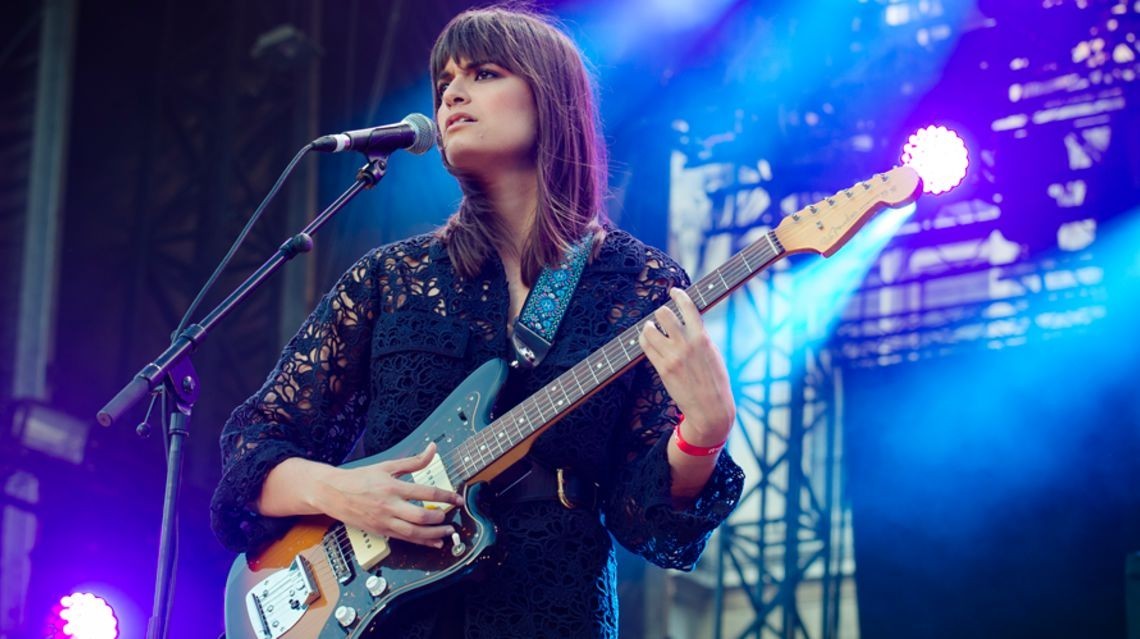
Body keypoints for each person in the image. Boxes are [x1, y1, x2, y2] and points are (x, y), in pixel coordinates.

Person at [211, 6, 743, 637]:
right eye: (445, 84)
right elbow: (255, 444)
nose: (453, 94)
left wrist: (705, 431)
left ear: (551, 100)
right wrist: (339, 492)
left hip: (552, 610)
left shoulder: (639, 286)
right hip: (387, 616)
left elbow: (648, 522)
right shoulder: (391, 279)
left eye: (485, 73)